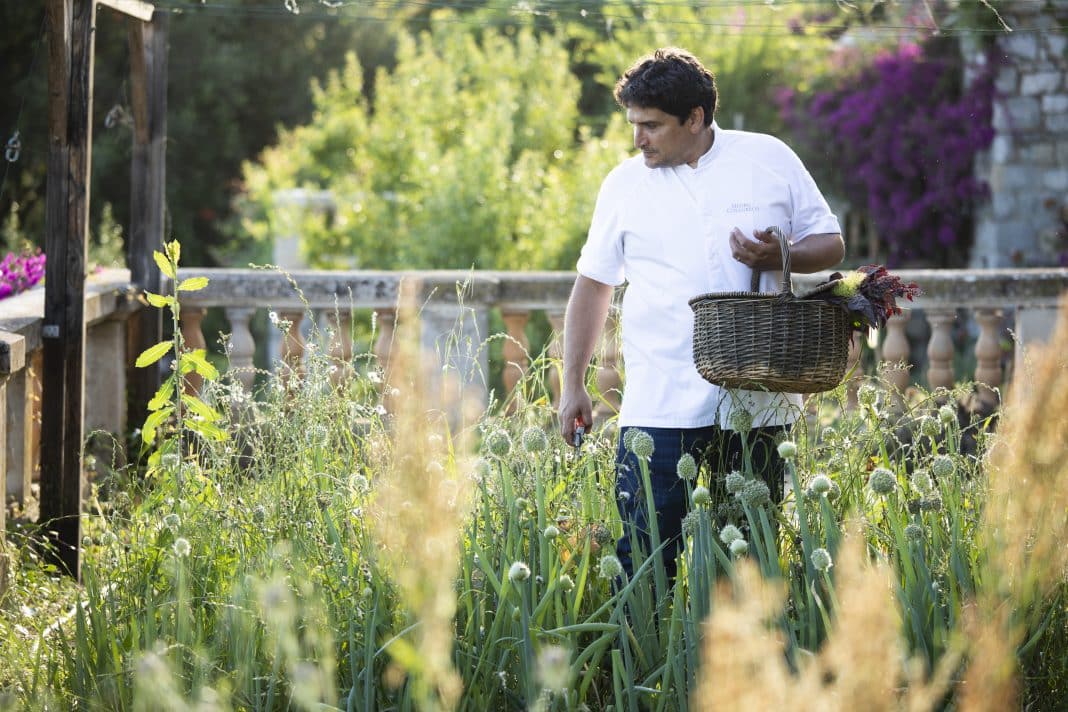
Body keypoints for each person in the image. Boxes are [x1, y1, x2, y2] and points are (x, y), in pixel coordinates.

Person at [558, 48, 844, 580]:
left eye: (651, 125)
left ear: (696, 118)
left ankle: (738, 665)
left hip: (758, 403)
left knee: (747, 570)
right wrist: (572, 383)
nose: (638, 138)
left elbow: (831, 244)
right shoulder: (623, 184)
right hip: (658, 407)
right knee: (643, 566)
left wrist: (778, 255)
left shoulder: (769, 158)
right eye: (634, 124)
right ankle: (638, 665)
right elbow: (593, 285)